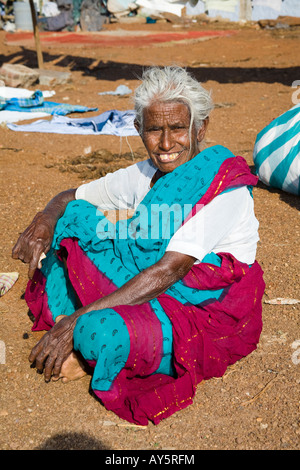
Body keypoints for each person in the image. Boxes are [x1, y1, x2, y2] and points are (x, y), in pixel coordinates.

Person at [12, 66, 265, 425]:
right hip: (149, 283)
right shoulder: (144, 174)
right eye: (154, 130)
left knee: (98, 332)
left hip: (200, 310)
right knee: (76, 217)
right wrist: (44, 220)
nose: (165, 144)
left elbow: (171, 269)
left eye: (177, 129)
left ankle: (87, 336)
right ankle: (94, 325)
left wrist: (74, 323)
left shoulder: (225, 186)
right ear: (138, 130)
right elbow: (72, 196)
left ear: (200, 128)